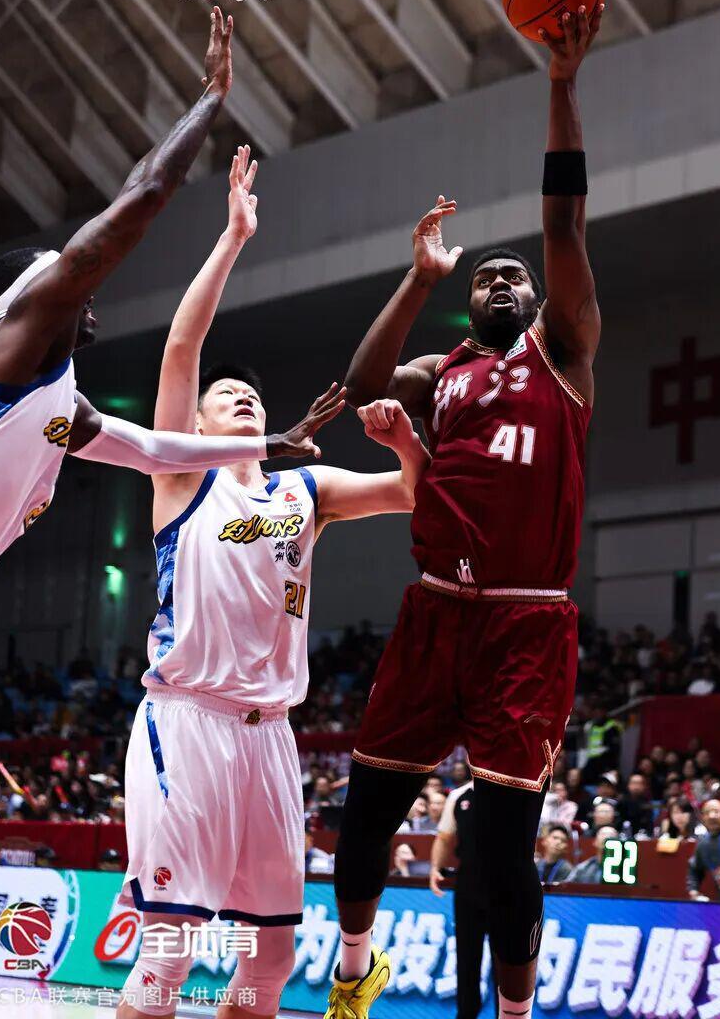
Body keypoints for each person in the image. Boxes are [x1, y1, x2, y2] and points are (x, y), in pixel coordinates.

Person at [325, 5, 604, 1019]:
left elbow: (562, 225)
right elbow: (361, 388)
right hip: (434, 610)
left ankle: (515, 1013)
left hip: (526, 623)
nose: (498, 280)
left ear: (533, 300)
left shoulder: (564, 353)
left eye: (510, 275)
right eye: (483, 276)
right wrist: (417, 278)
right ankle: (354, 969)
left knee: (499, 857)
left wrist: (560, 85)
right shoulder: (441, 373)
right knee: (363, 821)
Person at [117, 156, 431, 1019]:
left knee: (269, 964)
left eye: (249, 395)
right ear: (197, 426)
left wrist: (406, 442)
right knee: (170, 953)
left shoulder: (305, 491)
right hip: (189, 721)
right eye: (223, 396)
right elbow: (182, 348)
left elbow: (412, 492)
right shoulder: (183, 480)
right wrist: (232, 238)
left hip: (270, 740)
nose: (240, 398)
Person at [0, 12, 319, 584]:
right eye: (67, 279)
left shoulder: (58, 405)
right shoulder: (22, 336)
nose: (88, 292)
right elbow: (145, 193)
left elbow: (156, 451)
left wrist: (269, 444)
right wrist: (212, 96)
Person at [429, 773, 496, 1019]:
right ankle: (466, 1013)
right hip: (468, 881)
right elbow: (445, 836)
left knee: (505, 957)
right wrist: (435, 868)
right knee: (467, 955)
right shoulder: (458, 796)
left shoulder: (510, 788)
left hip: (505, 883)